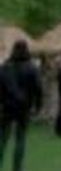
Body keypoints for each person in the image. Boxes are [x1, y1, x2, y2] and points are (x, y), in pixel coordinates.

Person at [1, 40, 42, 171]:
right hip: (24, 106)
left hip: (6, 106)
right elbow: (38, 89)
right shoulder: (31, 68)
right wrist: (38, 106)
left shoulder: (5, 67)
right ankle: (17, 168)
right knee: (20, 138)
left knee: (2, 138)